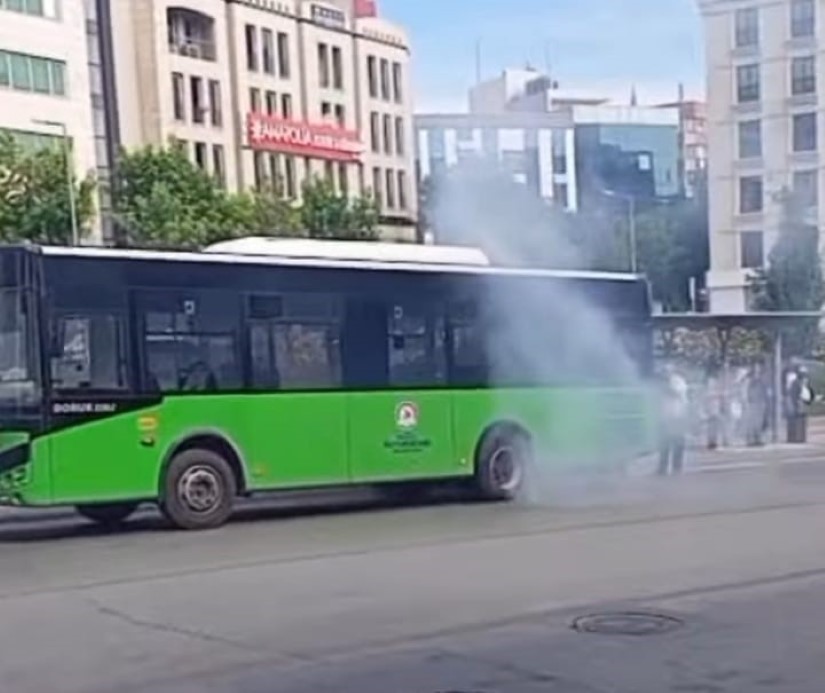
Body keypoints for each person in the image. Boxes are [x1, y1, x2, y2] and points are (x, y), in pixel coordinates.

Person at [658, 363, 689, 476]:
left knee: (678, 443)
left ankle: (677, 468)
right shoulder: (661, 383)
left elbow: (676, 392)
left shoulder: (678, 381)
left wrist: (666, 385)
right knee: (664, 444)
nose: (664, 374)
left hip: (677, 416)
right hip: (665, 417)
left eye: (666, 371)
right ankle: (662, 468)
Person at [745, 362, 769, 447]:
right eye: (756, 371)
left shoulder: (761, 381)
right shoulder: (751, 381)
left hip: (760, 403)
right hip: (753, 404)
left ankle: (757, 439)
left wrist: (764, 403)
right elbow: (749, 393)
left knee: (759, 423)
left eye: (758, 371)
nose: (757, 373)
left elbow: (764, 392)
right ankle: (751, 439)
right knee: (752, 422)